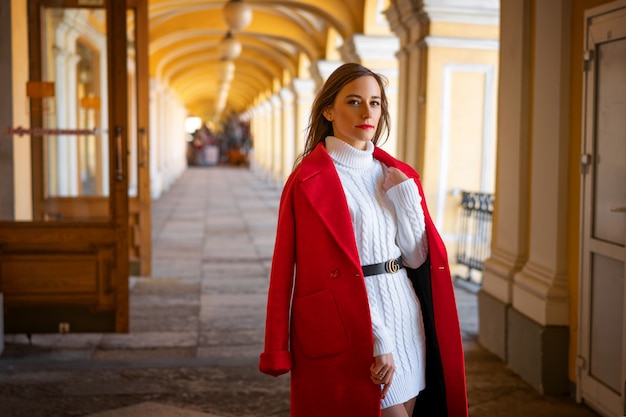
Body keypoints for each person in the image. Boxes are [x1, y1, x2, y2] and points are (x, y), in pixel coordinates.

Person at [259, 62, 468, 417]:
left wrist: (406, 199)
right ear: (328, 109)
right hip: (355, 328)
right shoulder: (308, 181)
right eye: (354, 101)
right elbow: (295, 273)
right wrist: (375, 337)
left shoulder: (394, 173)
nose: (367, 112)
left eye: (375, 102)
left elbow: (417, 259)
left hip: (406, 317)